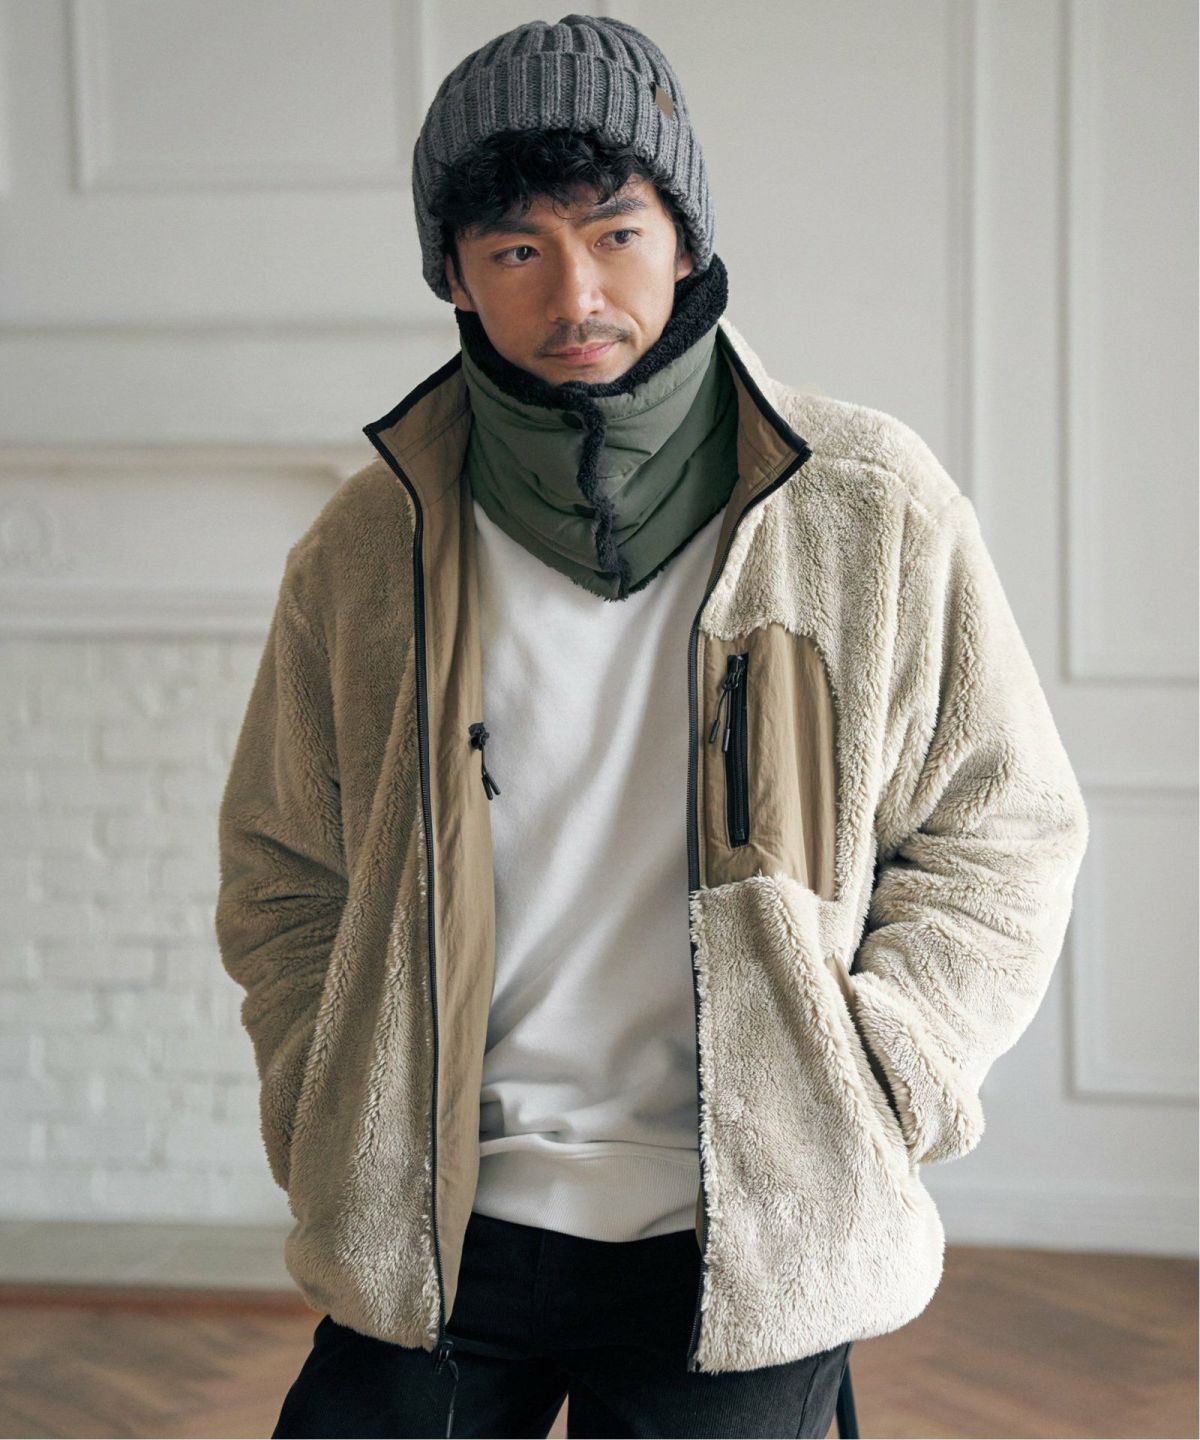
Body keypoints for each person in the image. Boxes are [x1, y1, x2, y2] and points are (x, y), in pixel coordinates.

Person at [213, 13, 1090, 1439]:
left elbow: (1005, 830)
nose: (576, 292)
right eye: (518, 249)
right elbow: (281, 867)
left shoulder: (864, 503)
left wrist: (886, 1070)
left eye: (615, 233)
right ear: (454, 274)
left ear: (684, 241)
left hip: (751, 1228)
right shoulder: (371, 545)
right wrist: (326, 1102)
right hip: (435, 1226)